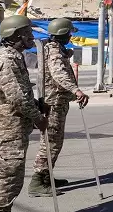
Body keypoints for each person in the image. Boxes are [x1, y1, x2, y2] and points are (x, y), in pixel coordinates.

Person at [0, 15, 48, 212]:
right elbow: (17, 97)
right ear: (15, 35)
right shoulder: (7, 60)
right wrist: (38, 118)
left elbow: (20, 92)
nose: (31, 37)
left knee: (3, 174)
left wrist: (37, 104)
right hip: (9, 129)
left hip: (12, 128)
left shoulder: (14, 56)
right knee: (10, 176)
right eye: (27, 33)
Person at [28, 18, 89, 197]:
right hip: (53, 102)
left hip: (56, 100)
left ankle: (46, 177)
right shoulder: (54, 51)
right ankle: (37, 182)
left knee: (54, 141)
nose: (71, 36)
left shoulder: (55, 48)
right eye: (69, 33)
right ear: (63, 34)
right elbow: (59, 74)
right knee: (51, 142)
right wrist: (76, 90)